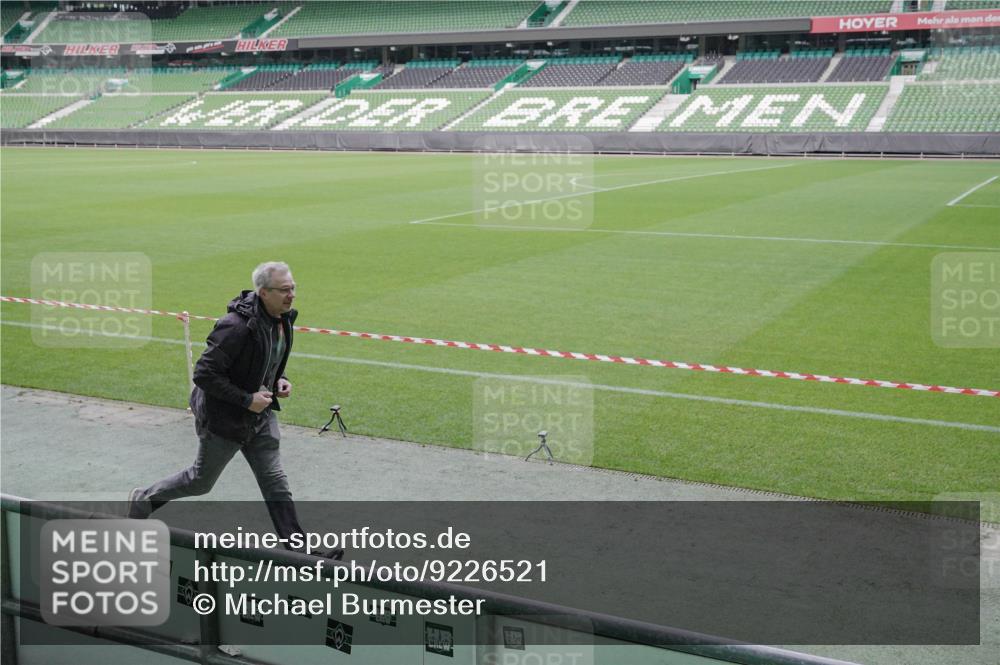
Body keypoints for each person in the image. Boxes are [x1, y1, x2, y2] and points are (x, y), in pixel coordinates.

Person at [128, 261, 340, 558]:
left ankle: (300, 551)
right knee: (200, 481)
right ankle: (143, 499)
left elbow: (269, 359)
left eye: (293, 288)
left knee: (275, 482)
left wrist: (280, 379)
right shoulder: (235, 327)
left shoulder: (282, 318)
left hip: (260, 418)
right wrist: (246, 399)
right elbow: (204, 374)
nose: (291, 295)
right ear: (264, 292)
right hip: (226, 420)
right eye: (284, 290)